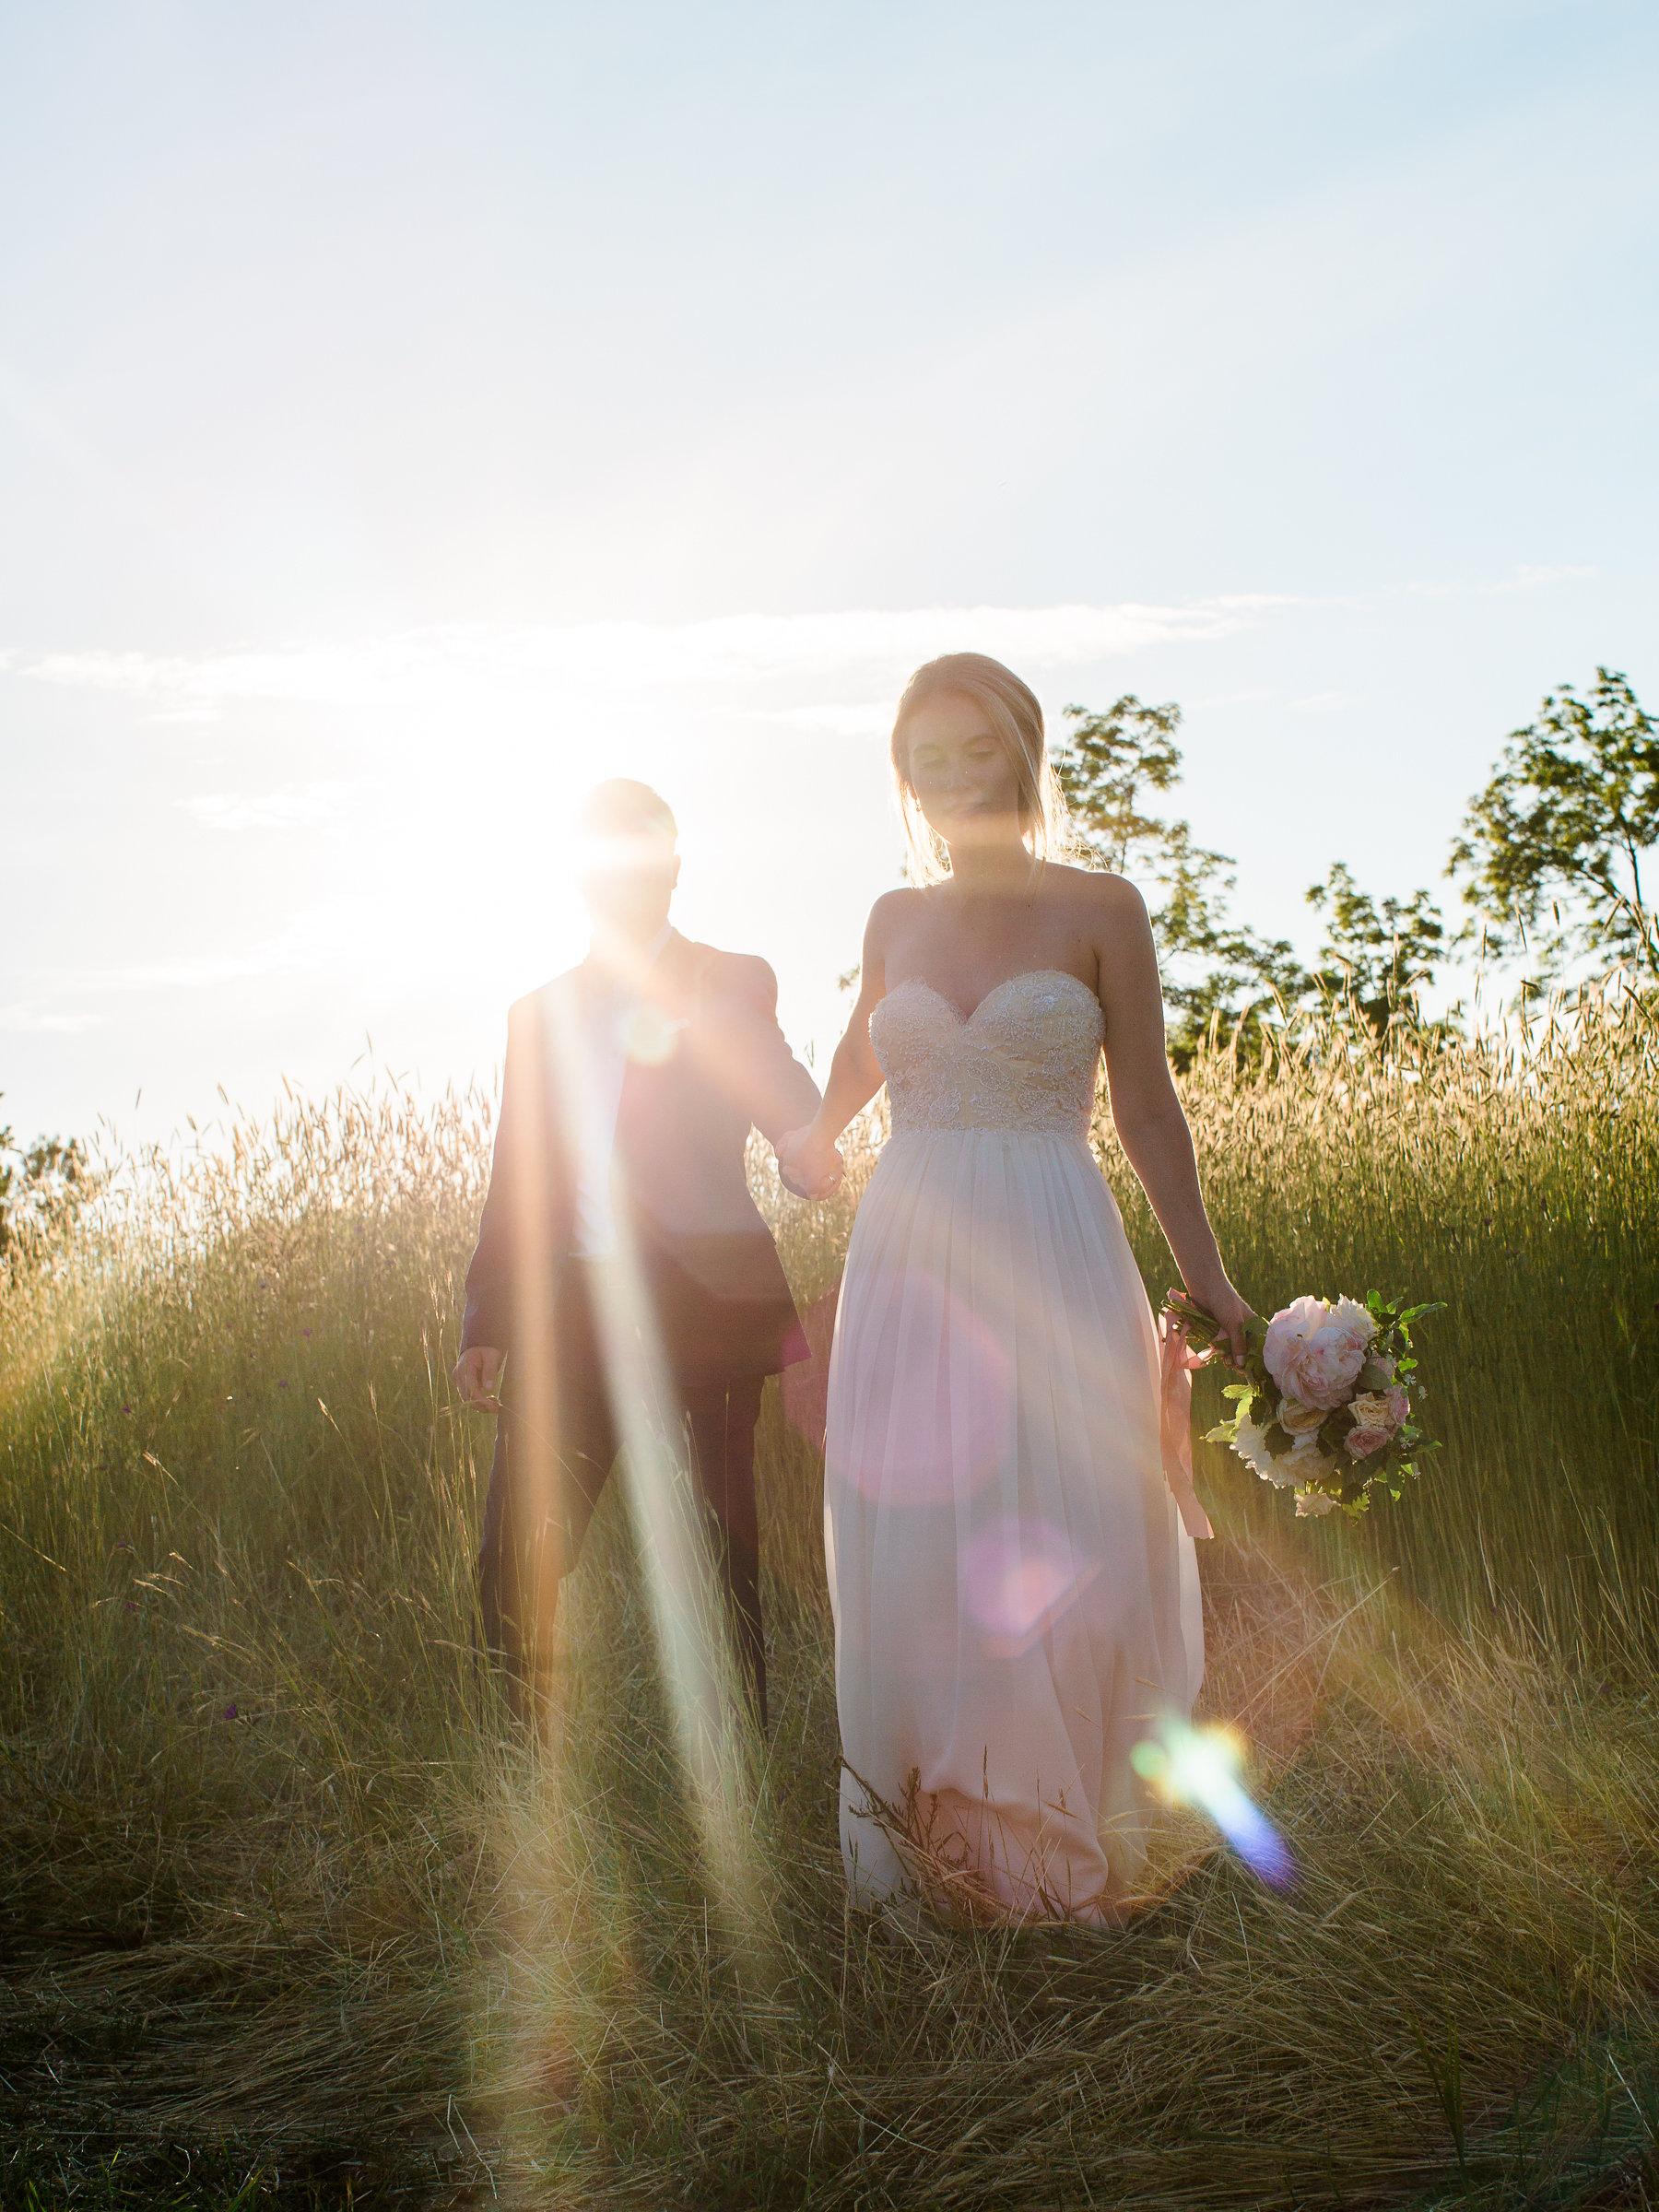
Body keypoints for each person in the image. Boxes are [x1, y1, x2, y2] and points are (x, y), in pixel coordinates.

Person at [778, 654, 1252, 1925]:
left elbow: (1148, 1105)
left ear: (1022, 753)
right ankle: (941, 1852)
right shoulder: (892, 918)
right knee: (928, 1543)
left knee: (1070, 1522)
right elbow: (856, 1053)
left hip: (1051, 1242)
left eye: (972, 750)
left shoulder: (1102, 907)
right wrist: (809, 1138)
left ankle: (1055, 1848)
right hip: (910, 1257)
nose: (948, 779)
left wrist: (1212, 1283)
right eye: (924, 758)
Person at [453, 779, 820, 1726]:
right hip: (571, 1316)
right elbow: (515, 1176)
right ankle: (520, 1759)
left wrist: (803, 1148)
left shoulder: (729, 977)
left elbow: (780, 1094)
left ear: (674, 866)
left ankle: (750, 1758)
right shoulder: (535, 1015)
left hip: (707, 1314)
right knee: (515, 1551)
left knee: (719, 1551)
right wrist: (487, 1317)